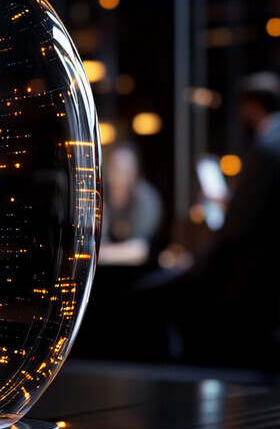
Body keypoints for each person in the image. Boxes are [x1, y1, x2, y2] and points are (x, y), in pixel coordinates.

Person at [133, 71, 280, 365]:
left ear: (250, 106)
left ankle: (166, 377)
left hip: (241, 279)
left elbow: (238, 230)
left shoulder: (266, 147)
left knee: (142, 295)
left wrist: (198, 261)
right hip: (263, 280)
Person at [99, 142, 162, 265]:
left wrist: (106, 253)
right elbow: (97, 244)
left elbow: (140, 250)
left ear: (134, 171)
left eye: (125, 171)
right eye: (115, 169)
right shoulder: (100, 197)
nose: (119, 175)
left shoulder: (146, 200)